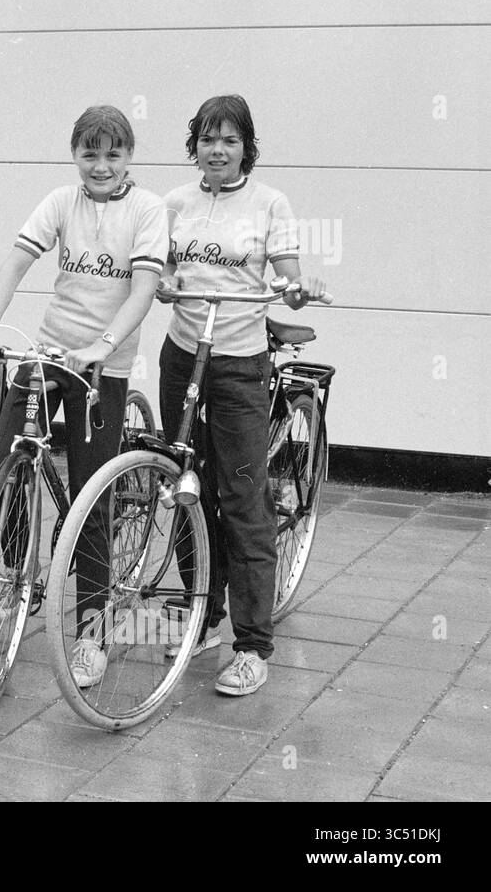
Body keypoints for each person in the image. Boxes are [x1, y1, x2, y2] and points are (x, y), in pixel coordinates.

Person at [0, 105, 167, 686]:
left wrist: (105, 346)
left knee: (91, 498)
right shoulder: (62, 201)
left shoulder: (147, 209)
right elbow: (15, 264)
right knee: (2, 466)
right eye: (89, 153)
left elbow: (145, 290)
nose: (100, 165)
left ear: (128, 157)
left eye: (112, 154)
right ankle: (13, 575)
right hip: (51, 354)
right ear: (75, 154)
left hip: (102, 370)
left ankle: (92, 628)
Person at [159, 94, 326, 696]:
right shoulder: (174, 202)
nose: (217, 150)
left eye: (229, 140)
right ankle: (203, 612)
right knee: (184, 487)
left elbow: (286, 271)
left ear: (246, 147)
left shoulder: (270, 202)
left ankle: (253, 645)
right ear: (194, 145)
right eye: (207, 139)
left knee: (243, 498)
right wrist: (165, 281)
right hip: (182, 357)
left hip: (237, 362)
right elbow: (160, 267)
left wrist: (295, 288)